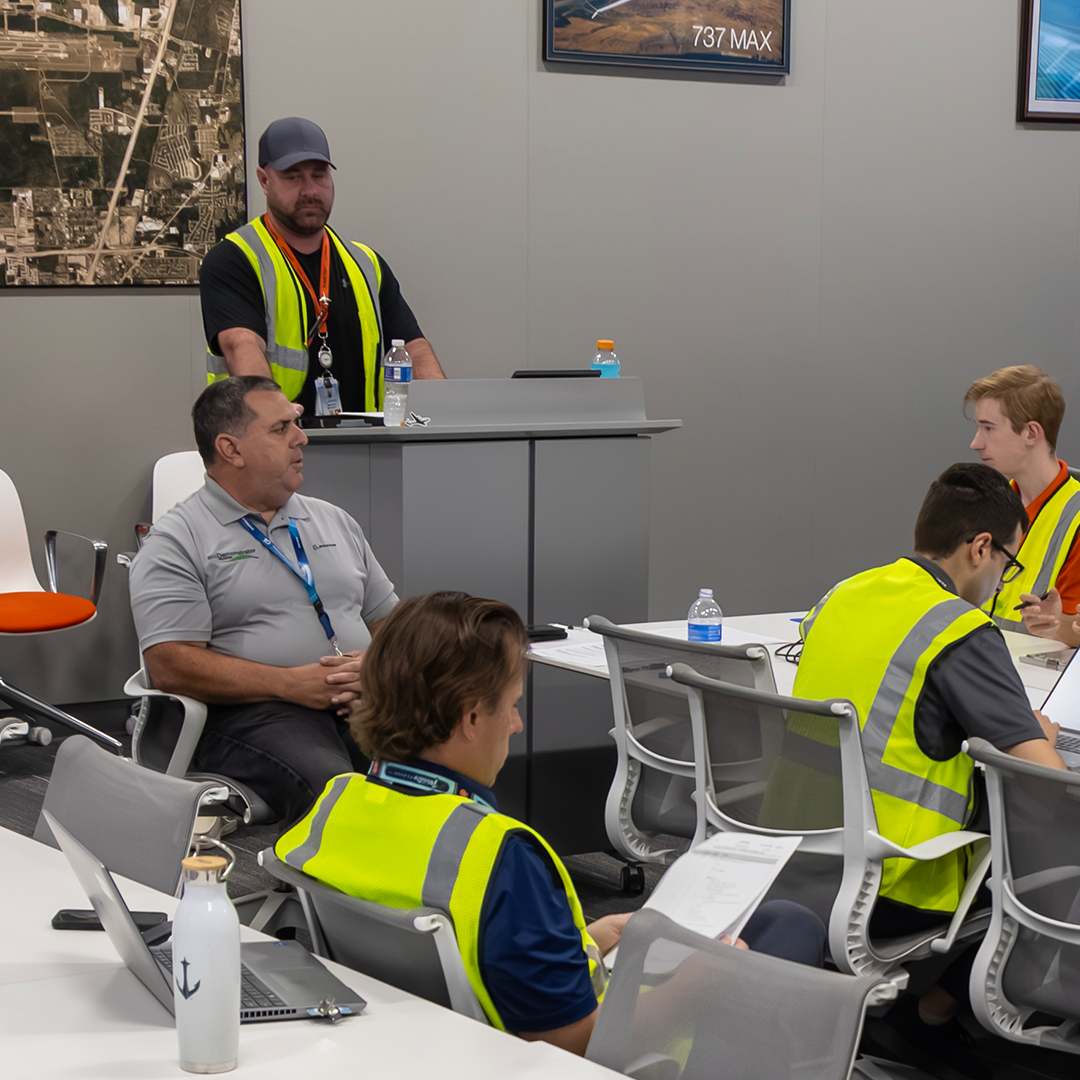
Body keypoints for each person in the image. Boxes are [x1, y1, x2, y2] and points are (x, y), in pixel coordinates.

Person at [276, 591, 827, 1054]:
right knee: (786, 930)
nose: (516, 724)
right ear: (470, 716)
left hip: (416, 1046)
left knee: (771, 921)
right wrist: (696, 985)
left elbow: (464, 948)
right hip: (570, 1059)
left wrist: (586, 938)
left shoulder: (335, 803)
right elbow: (572, 1046)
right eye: (510, 706)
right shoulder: (499, 855)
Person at [792, 462, 1064, 1080]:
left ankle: (927, 1015)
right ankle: (936, 1015)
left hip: (804, 860)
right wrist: (1036, 733)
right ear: (980, 548)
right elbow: (1045, 781)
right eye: (1008, 564)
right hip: (898, 886)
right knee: (1050, 836)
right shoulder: (960, 629)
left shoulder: (845, 593)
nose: (1003, 580)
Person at [129, 375, 399, 825]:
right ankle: (343, 895)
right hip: (254, 712)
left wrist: (377, 669)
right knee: (335, 792)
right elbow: (170, 665)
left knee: (437, 773)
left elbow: (387, 622)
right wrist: (292, 684)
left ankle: (451, 891)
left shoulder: (332, 520)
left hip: (362, 696)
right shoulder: (178, 540)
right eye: (280, 429)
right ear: (231, 449)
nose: (302, 437)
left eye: (295, 423)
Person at [199, 116, 445, 416]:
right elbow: (242, 347)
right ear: (264, 180)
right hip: (280, 451)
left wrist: (441, 422)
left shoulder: (367, 264)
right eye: (293, 177)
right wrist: (277, 433)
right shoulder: (235, 260)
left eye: (319, 175)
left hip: (369, 452)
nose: (310, 190)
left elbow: (414, 348)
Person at [965, 365, 1080, 645]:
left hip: (1037, 685)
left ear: (1031, 433)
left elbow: (1071, 635)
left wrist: (1056, 628)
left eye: (988, 428)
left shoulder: (1075, 519)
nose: (975, 443)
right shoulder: (982, 504)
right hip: (975, 671)